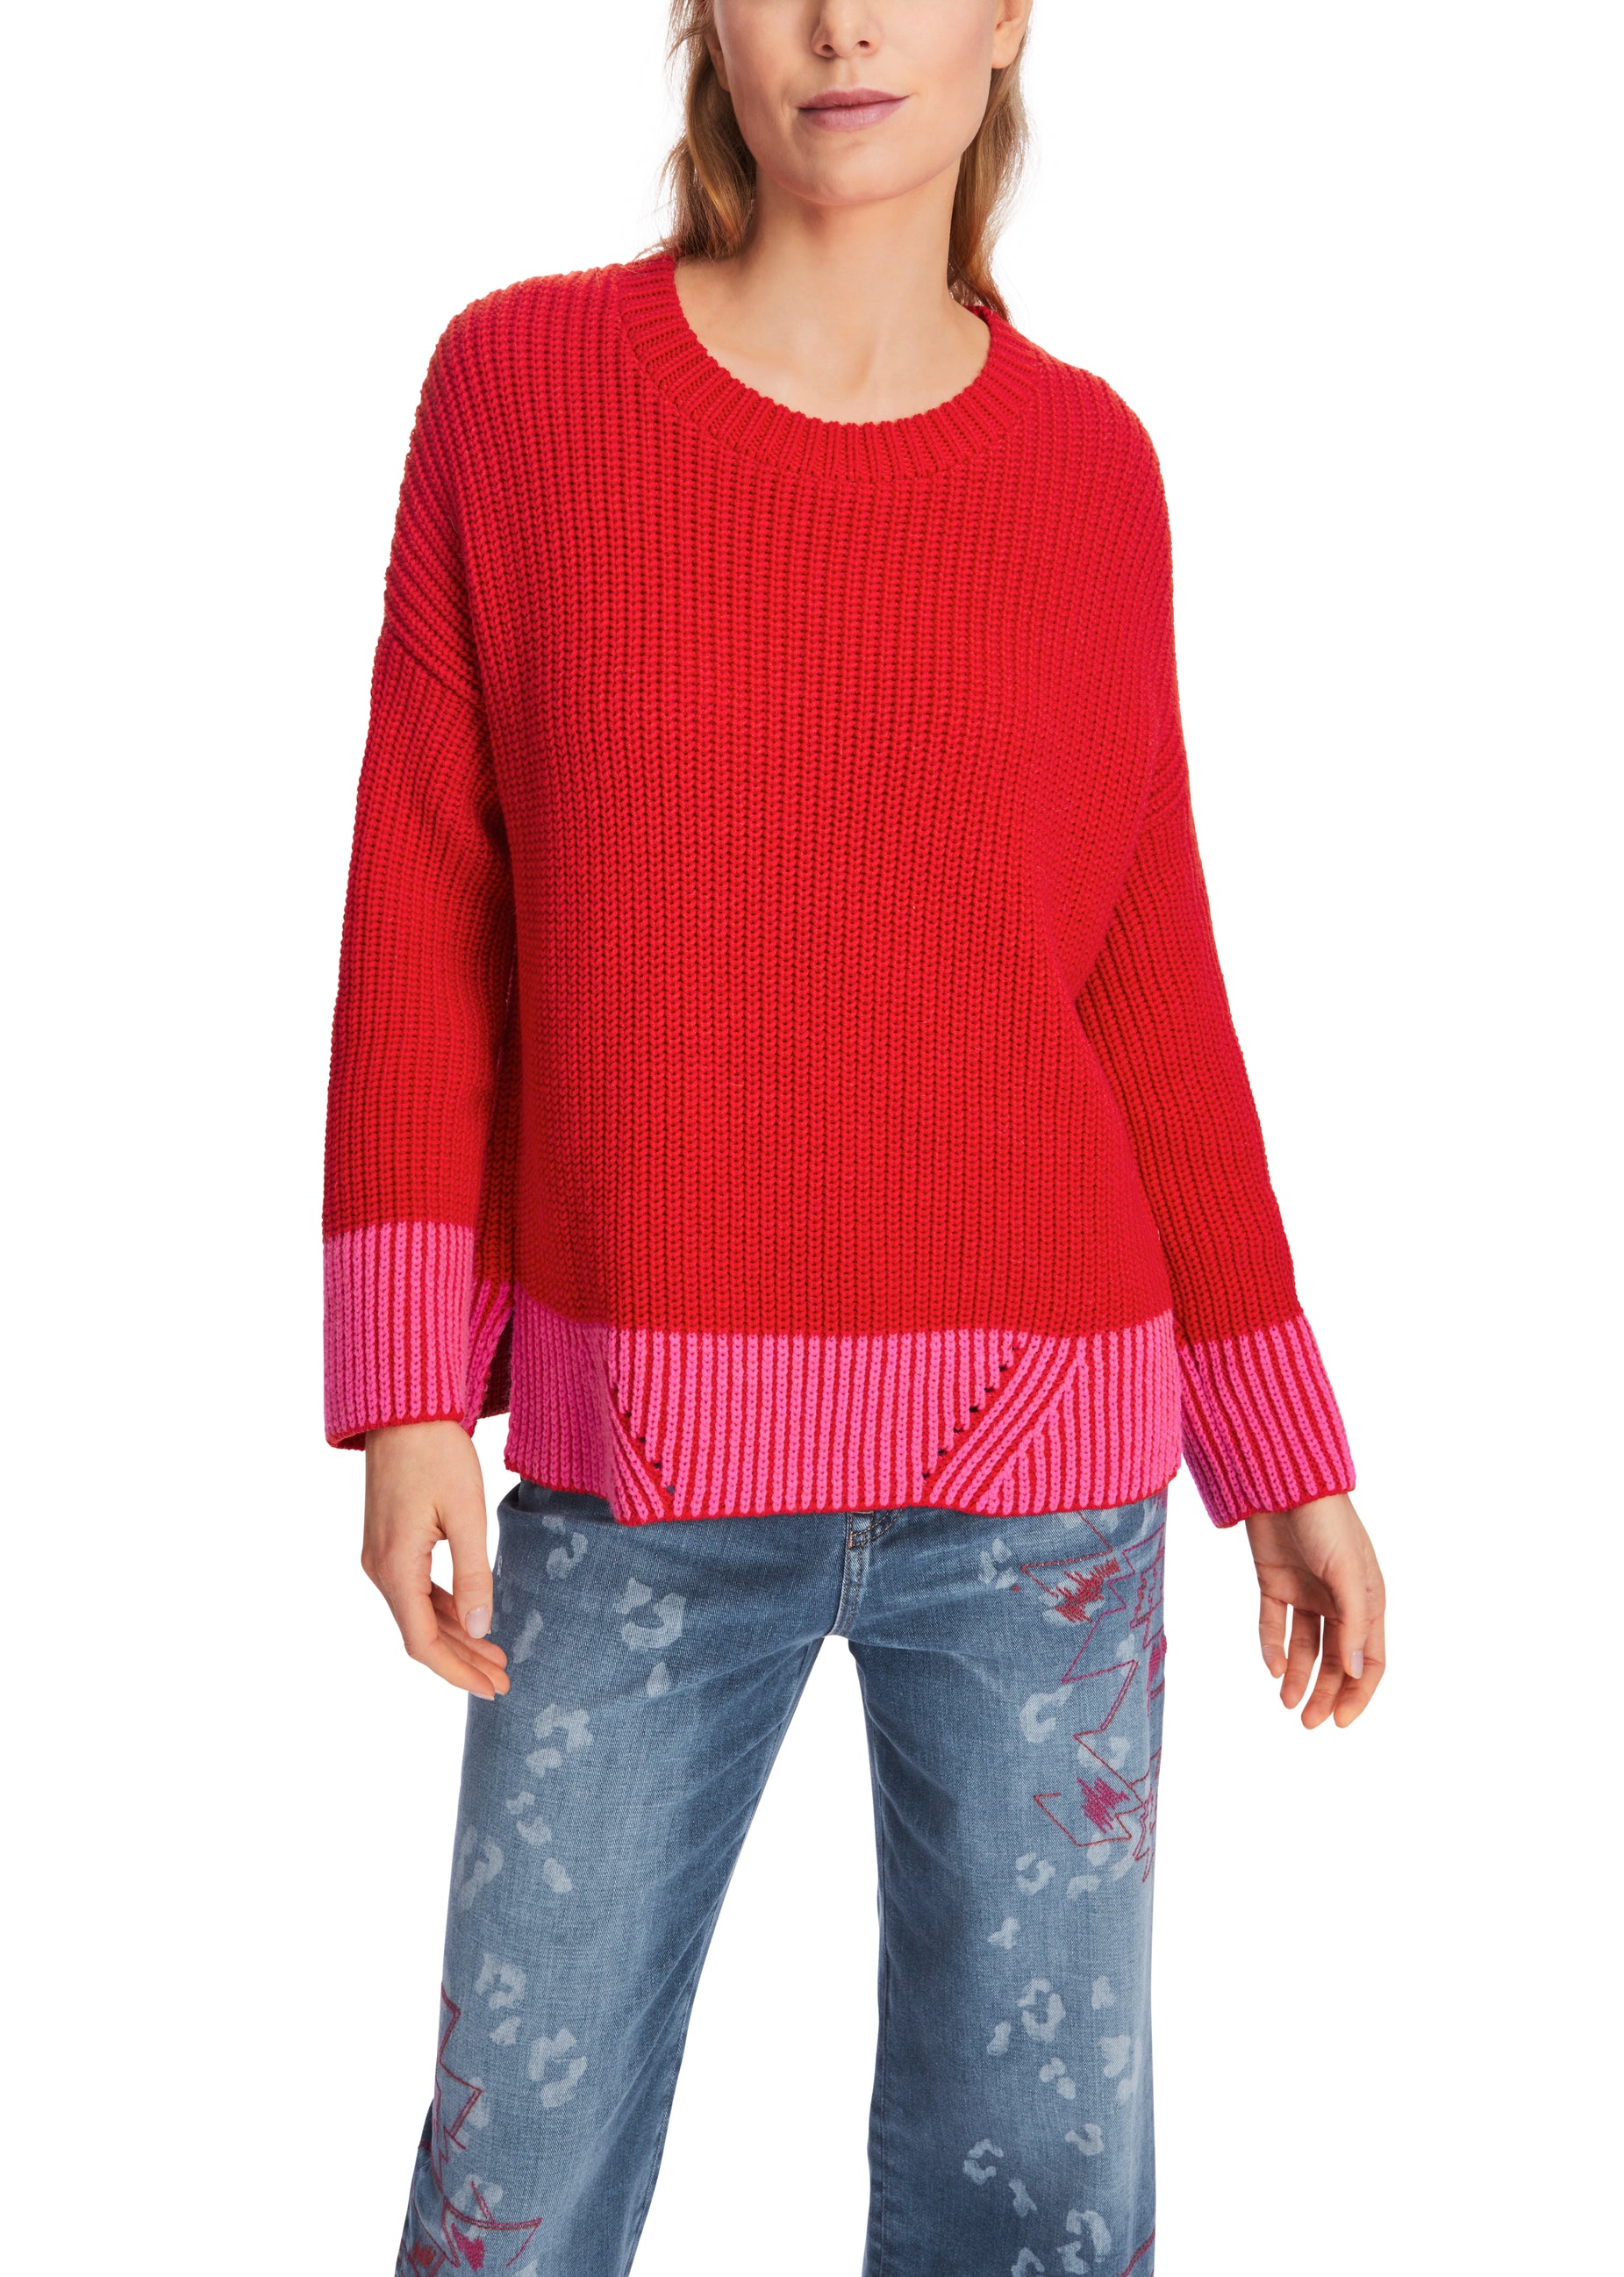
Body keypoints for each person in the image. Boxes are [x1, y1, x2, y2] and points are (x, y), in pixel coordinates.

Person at [322, 4, 1387, 2269]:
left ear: (1009, 18)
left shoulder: (1089, 468)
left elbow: (1141, 965)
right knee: (512, 2189)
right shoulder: (520, 393)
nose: (845, 22)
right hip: (634, 1464)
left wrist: (1273, 1446)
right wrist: (408, 1389)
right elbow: (426, 895)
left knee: (1036, 2207)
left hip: (1043, 1483)